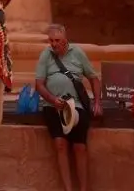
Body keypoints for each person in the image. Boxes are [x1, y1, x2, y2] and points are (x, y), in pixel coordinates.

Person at [35, 23, 102, 191]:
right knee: (60, 145)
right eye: (51, 40)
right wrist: (52, 99)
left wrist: (97, 102)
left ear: (65, 40)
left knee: (80, 147)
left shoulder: (77, 53)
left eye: (57, 40)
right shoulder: (46, 55)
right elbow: (39, 84)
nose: (54, 44)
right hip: (53, 106)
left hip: (76, 105)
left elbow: (94, 78)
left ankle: (83, 188)